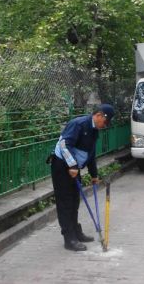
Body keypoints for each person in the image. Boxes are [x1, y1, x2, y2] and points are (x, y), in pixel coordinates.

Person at [49, 104, 114, 251]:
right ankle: (69, 238)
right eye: (105, 122)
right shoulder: (78, 124)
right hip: (61, 166)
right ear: (99, 115)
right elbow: (64, 144)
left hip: (73, 167)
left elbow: (90, 153)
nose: (105, 126)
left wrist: (94, 175)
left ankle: (76, 232)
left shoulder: (94, 130)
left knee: (74, 201)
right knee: (65, 202)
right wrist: (72, 166)